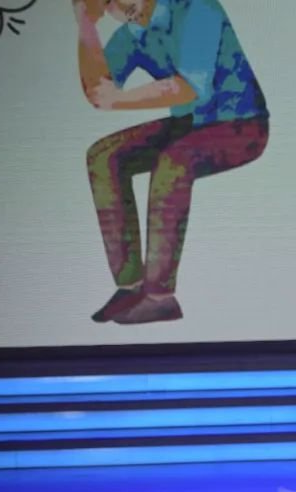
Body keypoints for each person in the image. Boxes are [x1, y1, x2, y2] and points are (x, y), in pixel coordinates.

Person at [73, 0, 270, 324]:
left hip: (242, 123)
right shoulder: (132, 33)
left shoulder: (197, 9)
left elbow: (190, 88)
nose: (118, 4)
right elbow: (97, 91)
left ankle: (160, 296)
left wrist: (119, 99)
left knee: (173, 161)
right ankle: (130, 283)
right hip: (188, 125)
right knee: (103, 156)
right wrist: (85, 24)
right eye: (107, 1)